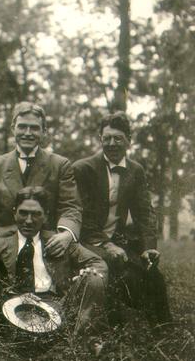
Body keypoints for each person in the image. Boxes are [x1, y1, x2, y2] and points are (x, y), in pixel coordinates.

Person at [0, 101, 82, 314]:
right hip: (2, 236)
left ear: (44, 131)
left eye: (34, 128)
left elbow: (71, 206)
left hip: (43, 237)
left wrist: (66, 234)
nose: (28, 133)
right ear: (13, 128)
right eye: (22, 126)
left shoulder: (60, 165)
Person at [0, 186, 107, 334]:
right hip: (11, 305)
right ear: (14, 213)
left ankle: (79, 343)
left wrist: (86, 273)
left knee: (94, 277)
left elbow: (98, 263)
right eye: (23, 213)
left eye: (36, 214)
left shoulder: (59, 241)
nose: (29, 221)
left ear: (45, 216)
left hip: (56, 306)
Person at [73, 111, 171, 324]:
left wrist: (148, 247)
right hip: (87, 240)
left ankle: (164, 330)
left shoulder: (135, 171)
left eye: (118, 138)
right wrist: (106, 245)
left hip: (118, 240)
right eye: (106, 138)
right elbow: (83, 216)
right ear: (100, 139)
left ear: (128, 140)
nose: (112, 143)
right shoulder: (83, 169)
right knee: (117, 272)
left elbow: (144, 212)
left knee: (152, 274)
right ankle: (110, 327)